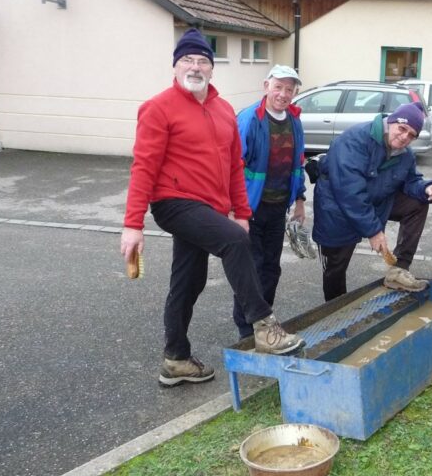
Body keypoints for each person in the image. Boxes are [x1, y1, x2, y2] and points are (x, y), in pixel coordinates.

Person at [120, 28, 305, 388]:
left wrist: (242, 213)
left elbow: (236, 167)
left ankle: (175, 359)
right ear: (175, 67)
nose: (195, 66)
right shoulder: (158, 108)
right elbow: (143, 166)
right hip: (174, 202)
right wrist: (133, 224)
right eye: (187, 60)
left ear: (211, 69)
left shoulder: (222, 110)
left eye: (202, 60)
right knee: (235, 242)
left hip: (211, 208)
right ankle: (264, 327)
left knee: (189, 281)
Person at [312, 101, 432, 301]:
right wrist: (373, 230)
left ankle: (398, 271)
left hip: (375, 202)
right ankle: (336, 310)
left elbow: (410, 180)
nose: (405, 136)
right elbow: (349, 191)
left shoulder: (405, 154)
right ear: (390, 122)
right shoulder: (355, 140)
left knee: (418, 203)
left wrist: (426, 187)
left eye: (412, 135)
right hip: (336, 208)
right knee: (335, 268)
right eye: (402, 128)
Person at [232, 65, 307, 339]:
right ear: (266, 86)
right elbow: (233, 166)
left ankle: (264, 318)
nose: (283, 94)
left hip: (278, 208)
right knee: (251, 268)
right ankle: (246, 328)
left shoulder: (294, 120)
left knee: (271, 268)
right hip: (250, 209)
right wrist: (235, 210)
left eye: (289, 89)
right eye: (278, 87)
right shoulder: (250, 118)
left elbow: (298, 164)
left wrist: (299, 201)